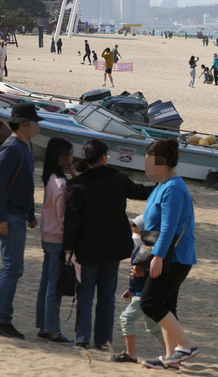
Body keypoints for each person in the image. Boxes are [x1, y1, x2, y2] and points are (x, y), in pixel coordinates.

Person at [63, 139, 154, 349]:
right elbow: (139, 192)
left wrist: (68, 247)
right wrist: (161, 186)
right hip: (113, 244)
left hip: (87, 245)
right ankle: (103, 341)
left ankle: (82, 339)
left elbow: (72, 220)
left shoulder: (78, 184)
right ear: (104, 156)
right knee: (106, 294)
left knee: (85, 294)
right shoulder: (117, 178)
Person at [0, 103, 44, 340]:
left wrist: (29, 214)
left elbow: (23, 185)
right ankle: (2, 320)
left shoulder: (24, 147)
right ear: (24, 125)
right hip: (8, 216)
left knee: (9, 268)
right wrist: (1, 218)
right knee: (13, 268)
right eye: (35, 122)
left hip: (17, 215)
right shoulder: (11, 148)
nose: (38, 125)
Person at [140, 139, 199, 370]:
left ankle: (187, 344)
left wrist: (157, 257)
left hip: (174, 257)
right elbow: (153, 221)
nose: (146, 168)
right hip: (167, 255)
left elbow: (169, 227)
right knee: (166, 305)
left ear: (162, 162)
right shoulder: (162, 185)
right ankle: (171, 358)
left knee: (150, 303)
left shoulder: (173, 188)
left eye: (149, 163)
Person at [35, 138, 76, 344]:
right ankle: (52, 330)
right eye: (69, 153)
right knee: (54, 286)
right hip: (58, 239)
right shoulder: (61, 185)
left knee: (46, 284)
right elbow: (63, 217)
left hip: (47, 236)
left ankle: (43, 325)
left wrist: (73, 174)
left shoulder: (51, 178)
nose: (71, 157)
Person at [110, 216, 165, 364]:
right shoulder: (138, 249)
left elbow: (156, 275)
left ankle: (131, 354)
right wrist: (131, 289)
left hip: (145, 295)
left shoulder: (153, 250)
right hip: (140, 293)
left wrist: (143, 274)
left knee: (126, 318)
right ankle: (173, 352)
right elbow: (136, 274)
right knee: (153, 327)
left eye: (138, 231)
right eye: (133, 230)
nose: (135, 234)